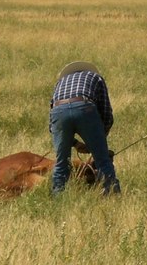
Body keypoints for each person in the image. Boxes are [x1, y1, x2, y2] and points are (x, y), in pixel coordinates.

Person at [49, 61, 121, 196]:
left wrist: (75, 144)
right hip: (84, 106)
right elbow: (106, 113)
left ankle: (58, 197)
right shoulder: (95, 77)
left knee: (61, 163)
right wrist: (98, 142)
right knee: (102, 160)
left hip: (59, 110)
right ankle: (111, 195)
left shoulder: (60, 82)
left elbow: (52, 126)